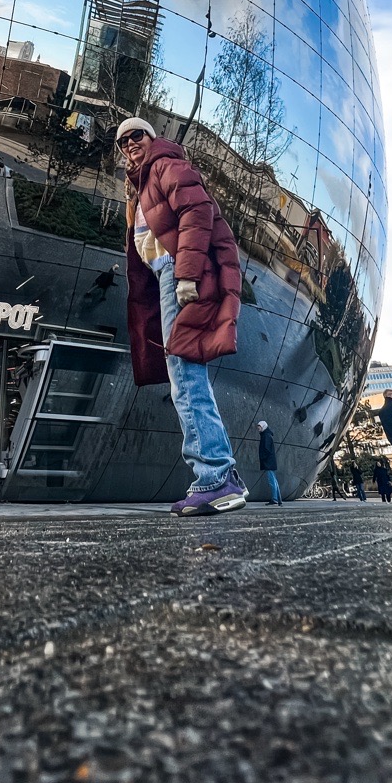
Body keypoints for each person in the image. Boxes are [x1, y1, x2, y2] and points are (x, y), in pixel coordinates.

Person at [118, 116, 246, 516]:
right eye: (122, 142)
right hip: (166, 275)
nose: (129, 143)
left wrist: (187, 275)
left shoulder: (165, 164)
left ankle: (215, 477)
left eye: (136, 134)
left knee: (185, 374)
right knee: (185, 371)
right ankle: (222, 475)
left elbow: (197, 211)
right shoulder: (142, 183)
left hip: (177, 272)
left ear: (151, 137)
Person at [257, 419, 281, 504]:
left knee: (271, 480)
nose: (258, 428)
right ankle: (278, 499)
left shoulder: (266, 436)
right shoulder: (267, 435)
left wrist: (263, 458)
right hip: (270, 461)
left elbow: (266, 449)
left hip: (268, 462)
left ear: (263, 426)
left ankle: (275, 499)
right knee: (274, 480)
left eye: (259, 427)